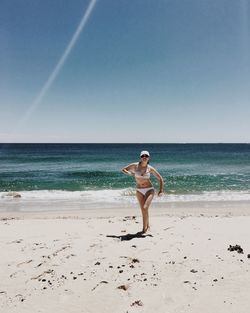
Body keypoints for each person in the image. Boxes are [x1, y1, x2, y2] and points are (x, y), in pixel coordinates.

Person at [121, 150, 164, 234]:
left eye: (146, 156)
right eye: (143, 156)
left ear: (148, 158)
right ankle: (148, 226)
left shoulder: (150, 168)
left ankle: (144, 229)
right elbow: (123, 169)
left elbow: (160, 178)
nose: (144, 157)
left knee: (145, 208)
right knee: (143, 210)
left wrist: (161, 190)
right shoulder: (135, 166)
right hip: (139, 190)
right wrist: (131, 173)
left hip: (149, 189)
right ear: (140, 157)